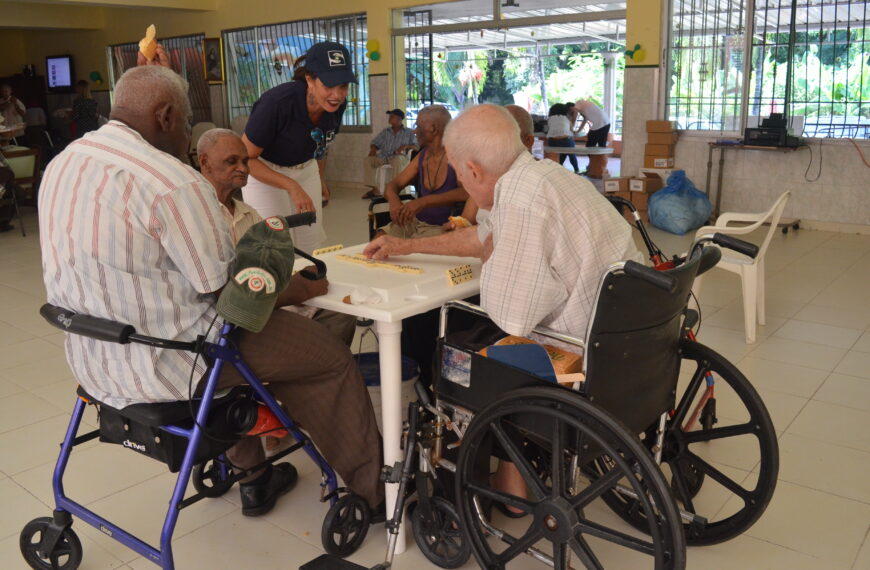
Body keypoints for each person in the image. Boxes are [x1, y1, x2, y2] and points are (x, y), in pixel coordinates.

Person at [38, 65, 384, 519]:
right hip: (175, 363)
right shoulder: (173, 182)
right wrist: (297, 287)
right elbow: (236, 300)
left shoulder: (65, 162)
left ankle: (255, 477)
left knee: (252, 343)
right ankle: (374, 496)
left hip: (94, 359)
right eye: (184, 123)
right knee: (327, 358)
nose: (184, 135)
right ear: (164, 116)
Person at [197, 127, 356, 346]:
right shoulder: (197, 213)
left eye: (245, 161)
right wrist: (296, 290)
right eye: (232, 161)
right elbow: (228, 296)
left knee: (341, 311)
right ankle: (320, 370)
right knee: (328, 344)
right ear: (204, 162)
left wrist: (293, 282)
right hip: (224, 324)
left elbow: (266, 270)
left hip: (258, 306)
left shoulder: (248, 214)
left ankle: (315, 372)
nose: (242, 168)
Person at [241, 41, 356, 253]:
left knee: (309, 244)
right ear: (310, 80)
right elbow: (246, 159)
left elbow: (321, 144)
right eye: (329, 85)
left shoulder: (336, 106)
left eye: (343, 86)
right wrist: (292, 186)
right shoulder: (277, 103)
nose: (337, 95)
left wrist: (320, 179)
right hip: (264, 173)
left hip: (305, 169)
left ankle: (308, 284)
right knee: (276, 245)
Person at [379, 105, 467, 239]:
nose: (414, 131)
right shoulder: (422, 156)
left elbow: (467, 192)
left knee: (402, 249)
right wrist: (394, 201)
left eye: (418, 126)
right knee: (379, 240)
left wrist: (424, 202)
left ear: (433, 128)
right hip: (415, 223)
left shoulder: (456, 155)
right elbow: (393, 185)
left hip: (441, 228)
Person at [361, 108, 418, 200]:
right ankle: (375, 190)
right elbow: (375, 142)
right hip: (384, 157)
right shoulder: (386, 131)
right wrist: (373, 149)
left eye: (392, 116)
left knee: (397, 160)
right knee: (368, 160)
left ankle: (396, 191)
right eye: (390, 116)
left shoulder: (408, 132)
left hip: (399, 158)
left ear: (399, 119)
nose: (390, 118)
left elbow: (416, 147)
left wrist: (405, 146)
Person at [546, 103, 579, 174]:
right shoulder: (567, 118)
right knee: (571, 152)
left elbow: (548, 130)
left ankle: (560, 166)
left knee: (563, 150)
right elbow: (571, 130)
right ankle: (576, 170)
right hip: (566, 141)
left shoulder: (550, 119)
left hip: (552, 142)